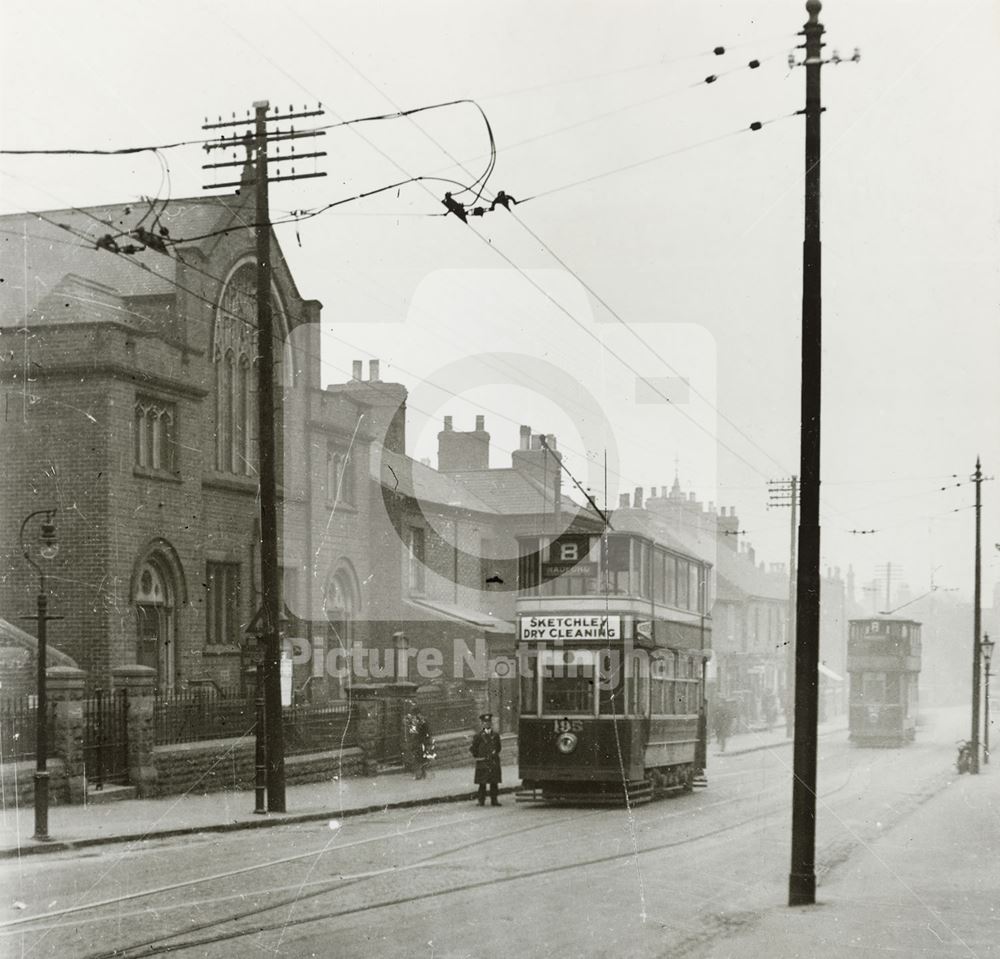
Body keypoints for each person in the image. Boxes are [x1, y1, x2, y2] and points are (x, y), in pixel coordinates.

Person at [470, 712, 502, 806]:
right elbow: (473, 748)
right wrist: (479, 756)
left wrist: (494, 754)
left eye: (488, 722)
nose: (487, 724)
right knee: (482, 782)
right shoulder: (478, 736)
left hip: (493, 761)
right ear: (482, 724)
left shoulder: (495, 735)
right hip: (483, 761)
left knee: (494, 782)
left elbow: (498, 748)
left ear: (490, 723)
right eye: (485, 722)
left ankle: (494, 800)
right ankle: (481, 800)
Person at [406, 707, 434, 780]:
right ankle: (422, 773)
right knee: (421, 758)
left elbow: (414, 733)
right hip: (421, 742)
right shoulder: (418, 721)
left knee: (418, 758)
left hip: (420, 742)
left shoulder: (420, 721)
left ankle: (419, 774)